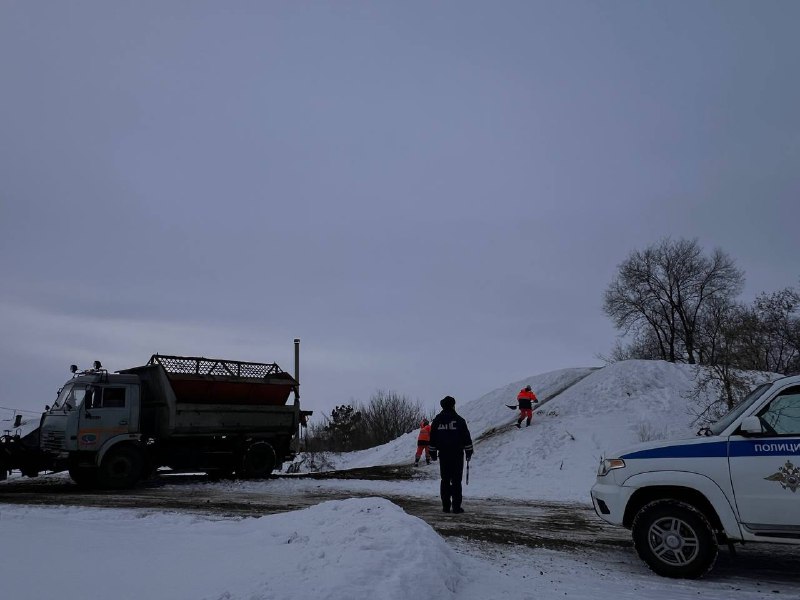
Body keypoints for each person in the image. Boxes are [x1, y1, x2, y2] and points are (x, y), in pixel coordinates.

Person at [429, 396, 474, 514]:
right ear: (453, 405)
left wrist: (432, 453)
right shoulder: (459, 420)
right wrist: (469, 452)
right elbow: (466, 437)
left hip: (443, 455)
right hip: (457, 454)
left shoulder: (437, 420)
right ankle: (456, 507)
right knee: (456, 480)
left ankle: (445, 507)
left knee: (445, 480)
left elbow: (432, 438)